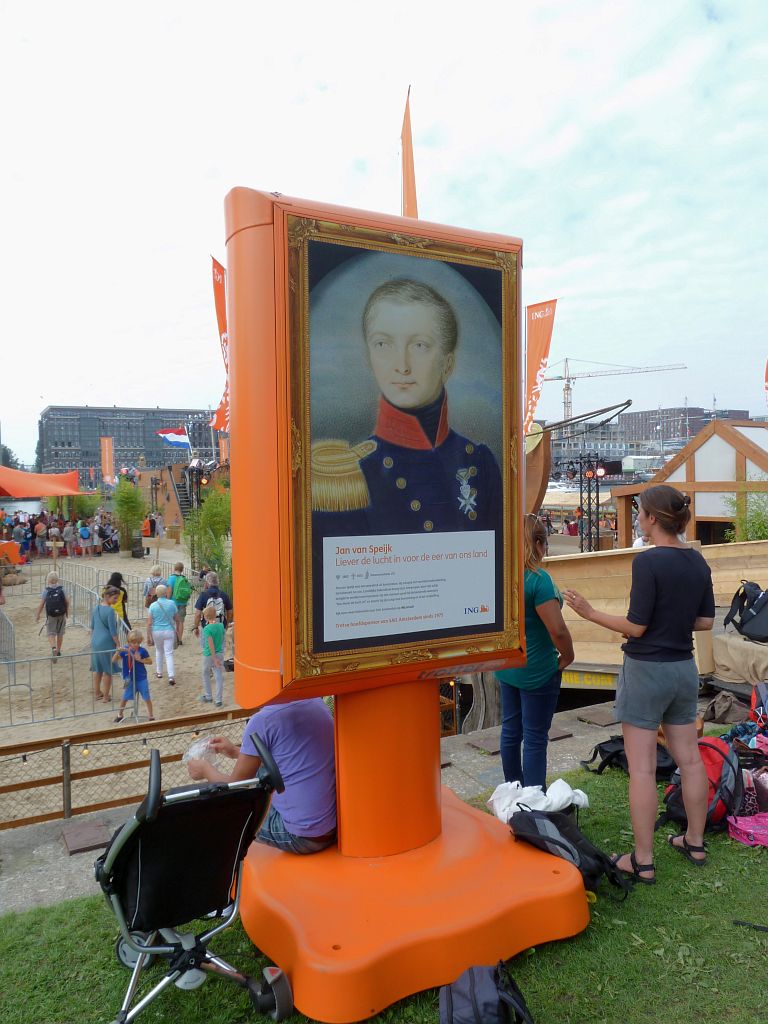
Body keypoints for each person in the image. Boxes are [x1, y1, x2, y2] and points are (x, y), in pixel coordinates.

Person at [310, 278, 503, 640]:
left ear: (447, 362)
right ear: (369, 356)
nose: (401, 365)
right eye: (384, 344)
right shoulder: (343, 474)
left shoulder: (480, 463)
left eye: (419, 345)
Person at [563, 484, 715, 883]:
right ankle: (694, 842)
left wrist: (590, 612)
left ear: (651, 518)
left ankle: (643, 861)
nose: (639, 520)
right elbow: (704, 622)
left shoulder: (648, 563)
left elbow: (637, 626)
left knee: (644, 770)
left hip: (647, 670)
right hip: (684, 667)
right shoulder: (697, 561)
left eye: (641, 514)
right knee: (691, 759)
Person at [187, 698, 337, 854]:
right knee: (261, 777)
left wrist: (205, 770)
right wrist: (235, 752)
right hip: (330, 827)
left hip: (301, 836)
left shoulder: (262, 720)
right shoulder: (315, 703)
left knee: (227, 812)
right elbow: (287, 758)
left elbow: (235, 786)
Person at [495, 516, 574, 790]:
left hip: (508, 666)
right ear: (538, 543)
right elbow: (558, 630)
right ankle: (533, 801)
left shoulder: (501, 575)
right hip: (538, 669)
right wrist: (568, 656)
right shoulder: (539, 580)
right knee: (535, 738)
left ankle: (512, 791)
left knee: (510, 731)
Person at [112, 629, 155, 724]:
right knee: (125, 697)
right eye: (134, 642)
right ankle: (120, 714)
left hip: (141, 678)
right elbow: (113, 661)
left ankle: (151, 715)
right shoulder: (125, 650)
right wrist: (117, 652)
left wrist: (140, 660)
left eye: (138, 643)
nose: (136, 645)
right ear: (129, 642)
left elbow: (150, 661)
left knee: (146, 696)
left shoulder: (142, 650)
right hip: (129, 679)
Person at [90, 586, 121, 702]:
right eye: (115, 598)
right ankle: (106, 696)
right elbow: (113, 631)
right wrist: (118, 644)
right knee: (108, 670)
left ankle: (97, 693)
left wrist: (93, 640)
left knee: (97, 668)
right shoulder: (110, 611)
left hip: (95, 641)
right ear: (107, 597)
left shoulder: (96, 608)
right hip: (106, 642)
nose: (116, 601)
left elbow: (92, 627)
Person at [146, 583, 180, 685]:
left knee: (159, 651)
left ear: (156, 593)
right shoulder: (171, 603)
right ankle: (171, 676)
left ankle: (159, 672)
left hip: (157, 631)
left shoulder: (153, 605)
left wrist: (148, 636)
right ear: (166, 593)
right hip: (169, 630)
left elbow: (149, 623)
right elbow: (177, 619)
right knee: (169, 653)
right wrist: (177, 630)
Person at [35, 571, 70, 657]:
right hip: (61, 614)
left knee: (51, 633)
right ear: (57, 579)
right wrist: (67, 612)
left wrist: (38, 615)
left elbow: (42, 604)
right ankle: (58, 651)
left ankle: (53, 648)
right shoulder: (62, 589)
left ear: (48, 580)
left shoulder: (46, 591)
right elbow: (67, 601)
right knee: (60, 633)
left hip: (51, 615)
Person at [199, 604, 225, 706]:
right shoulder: (221, 625)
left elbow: (210, 644)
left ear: (206, 617)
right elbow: (222, 639)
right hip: (220, 652)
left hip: (209, 655)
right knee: (218, 675)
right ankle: (218, 700)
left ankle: (208, 696)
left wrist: (214, 658)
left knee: (205, 673)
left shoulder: (207, 629)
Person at [192, 571, 233, 637]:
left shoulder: (203, 595)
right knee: (220, 646)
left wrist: (196, 627)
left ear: (207, 583)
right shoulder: (224, 595)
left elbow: (198, 614)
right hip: (221, 626)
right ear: (217, 582)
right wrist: (227, 624)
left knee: (207, 646)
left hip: (207, 626)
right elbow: (230, 612)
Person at [166, 561, 192, 643]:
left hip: (173, 603)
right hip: (183, 602)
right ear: (182, 569)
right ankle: (180, 639)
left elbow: (169, 590)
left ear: (174, 568)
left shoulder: (171, 578)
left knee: (172, 621)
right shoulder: (184, 578)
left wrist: (167, 600)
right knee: (181, 621)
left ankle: (173, 638)